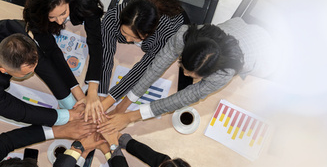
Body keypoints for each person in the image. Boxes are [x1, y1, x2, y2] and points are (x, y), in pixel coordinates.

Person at [98, 17, 276, 134]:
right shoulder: (184, 34)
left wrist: (131, 116)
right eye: (183, 66)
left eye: (192, 74)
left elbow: (187, 96)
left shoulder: (224, 73)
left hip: (265, 55)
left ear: (210, 74)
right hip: (245, 27)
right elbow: (156, 66)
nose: (184, 73)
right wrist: (124, 104)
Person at [86, 0, 187, 123]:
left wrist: (111, 99)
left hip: (175, 18)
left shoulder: (165, 32)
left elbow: (142, 68)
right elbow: (105, 55)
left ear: (149, 32)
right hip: (144, 7)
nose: (128, 40)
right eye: (124, 32)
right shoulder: (112, 17)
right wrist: (101, 95)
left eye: (135, 37)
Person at [23, 0, 104, 110]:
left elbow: (95, 41)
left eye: (63, 13)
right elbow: (51, 51)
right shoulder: (35, 12)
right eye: (52, 17)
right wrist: (79, 93)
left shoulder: (84, 0)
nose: (60, 21)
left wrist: (92, 90)